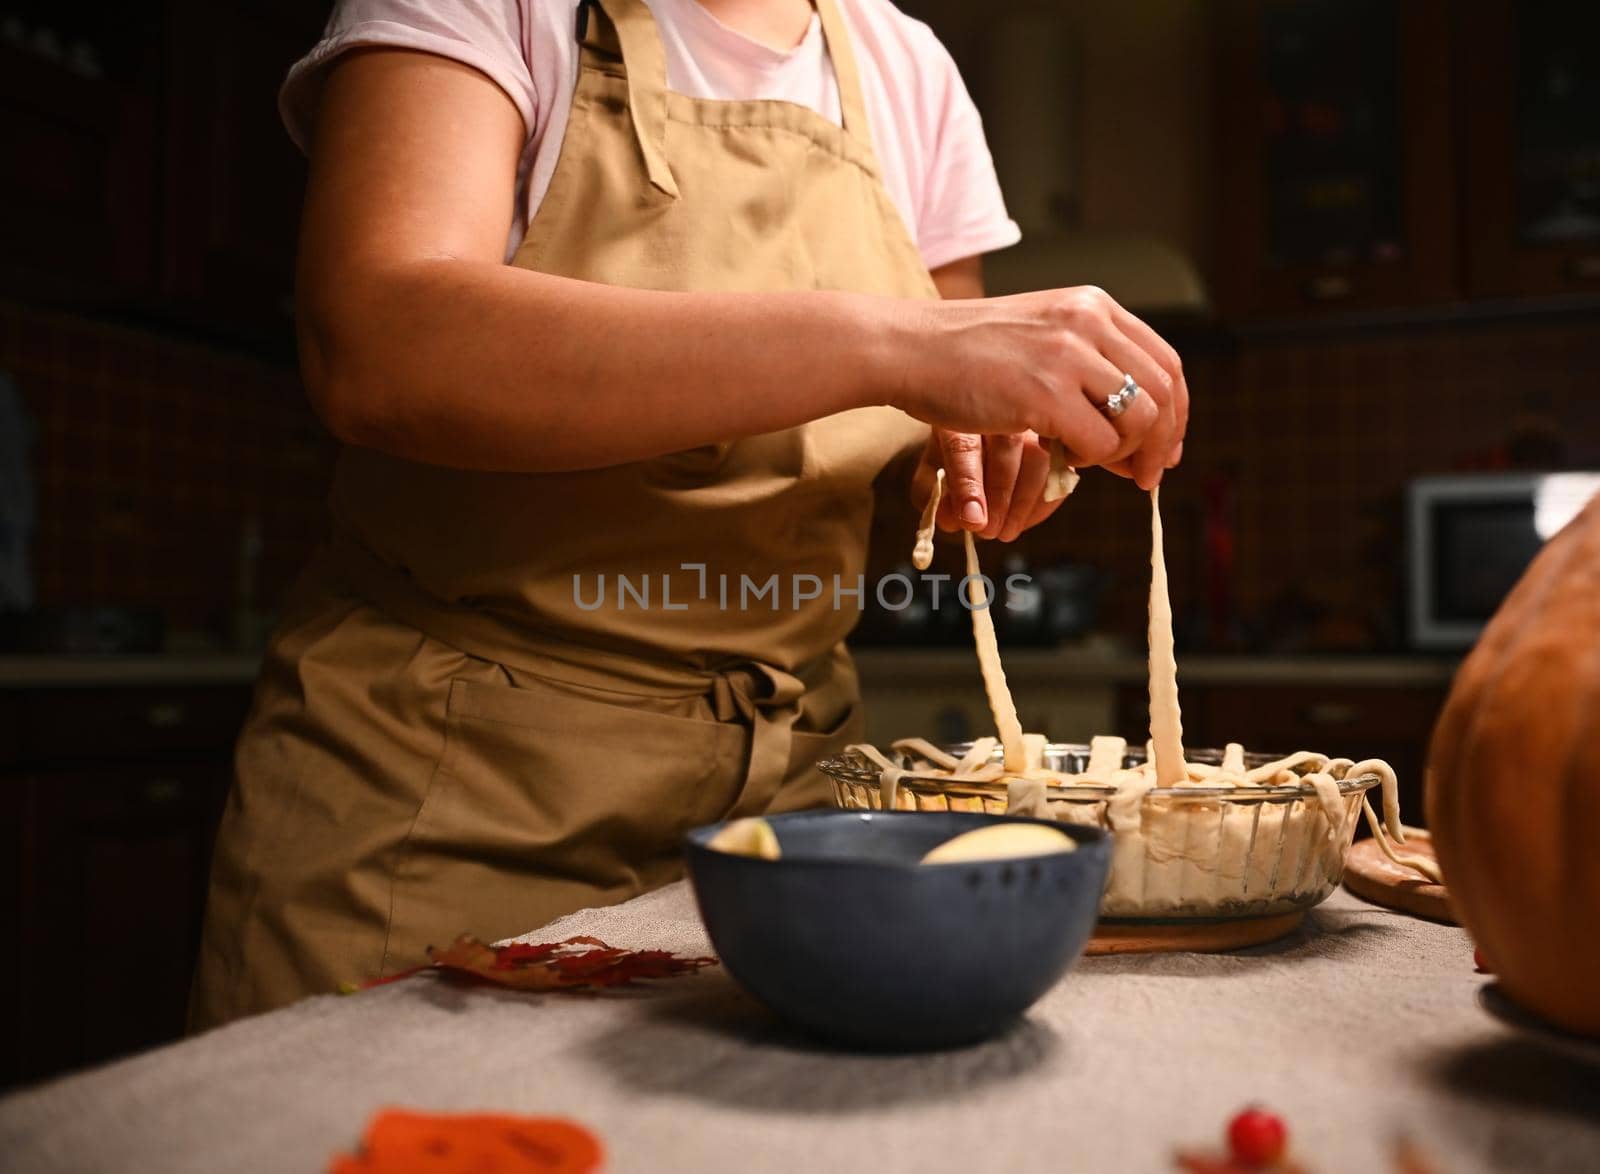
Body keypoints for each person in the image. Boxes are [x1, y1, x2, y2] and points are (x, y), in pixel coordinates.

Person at [190, 0, 1189, 1028]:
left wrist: (986, 445)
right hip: (448, 788)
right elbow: (379, 347)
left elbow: (945, 414)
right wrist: (898, 347)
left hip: (790, 813)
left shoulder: (908, 67)